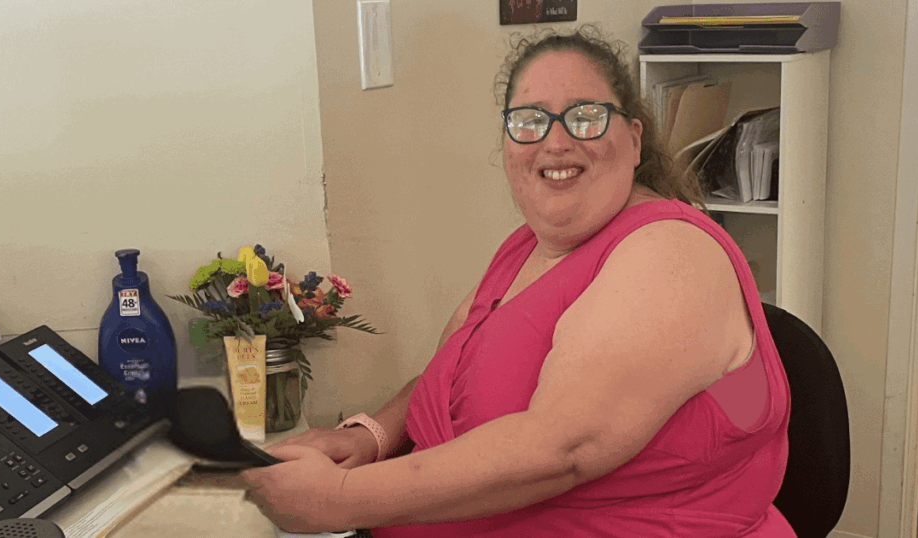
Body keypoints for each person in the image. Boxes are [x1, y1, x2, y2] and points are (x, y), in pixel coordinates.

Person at [236, 25, 794, 536]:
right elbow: (445, 371)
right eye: (529, 121)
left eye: (585, 116)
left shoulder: (672, 253)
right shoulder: (526, 247)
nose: (555, 142)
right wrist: (370, 435)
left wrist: (340, 498)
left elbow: (565, 446)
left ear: (633, 137)